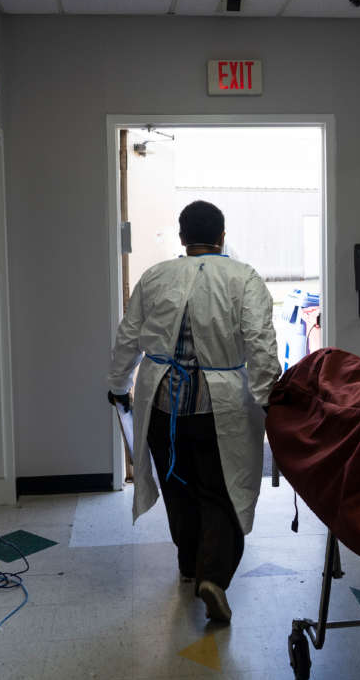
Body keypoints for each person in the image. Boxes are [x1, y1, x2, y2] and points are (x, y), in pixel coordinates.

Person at [107, 200, 280, 622]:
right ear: (222, 236)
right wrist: (270, 397)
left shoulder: (155, 276)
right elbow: (260, 343)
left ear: (183, 238)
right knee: (222, 492)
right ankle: (212, 577)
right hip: (221, 409)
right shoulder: (244, 278)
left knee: (177, 486)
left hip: (162, 404)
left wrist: (117, 386)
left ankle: (189, 565)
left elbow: (128, 336)